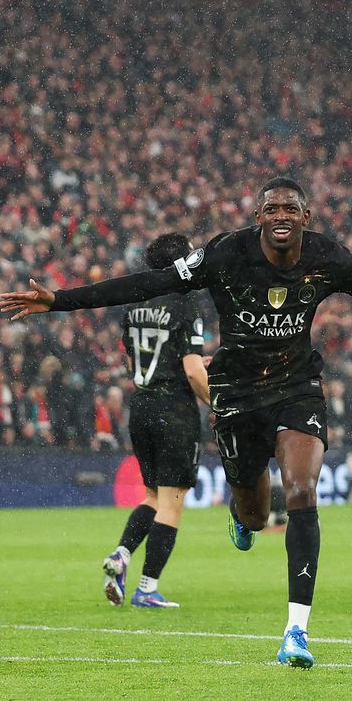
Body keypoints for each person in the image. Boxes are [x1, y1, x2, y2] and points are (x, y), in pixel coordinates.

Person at [0, 176, 352, 668]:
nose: (281, 216)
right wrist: (61, 301)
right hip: (236, 392)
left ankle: (296, 631)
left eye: (291, 208)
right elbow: (150, 284)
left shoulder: (327, 257)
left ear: (305, 218)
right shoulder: (223, 254)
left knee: (303, 492)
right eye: (271, 209)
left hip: (296, 388)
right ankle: (243, 517)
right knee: (255, 516)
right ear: (258, 217)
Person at [101, 233, 210, 609]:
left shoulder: (134, 303)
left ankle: (121, 555)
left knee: (152, 495)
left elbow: (136, 361)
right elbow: (193, 371)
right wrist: (219, 402)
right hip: (174, 410)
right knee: (173, 501)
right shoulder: (185, 304)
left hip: (141, 405)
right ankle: (147, 588)